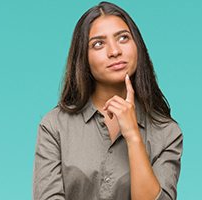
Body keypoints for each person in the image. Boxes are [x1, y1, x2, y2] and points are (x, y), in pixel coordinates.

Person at [32, 1, 183, 200]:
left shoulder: (167, 133)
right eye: (98, 44)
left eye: (123, 38)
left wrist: (133, 135)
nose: (114, 51)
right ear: (83, 58)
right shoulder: (55, 126)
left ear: (137, 45)